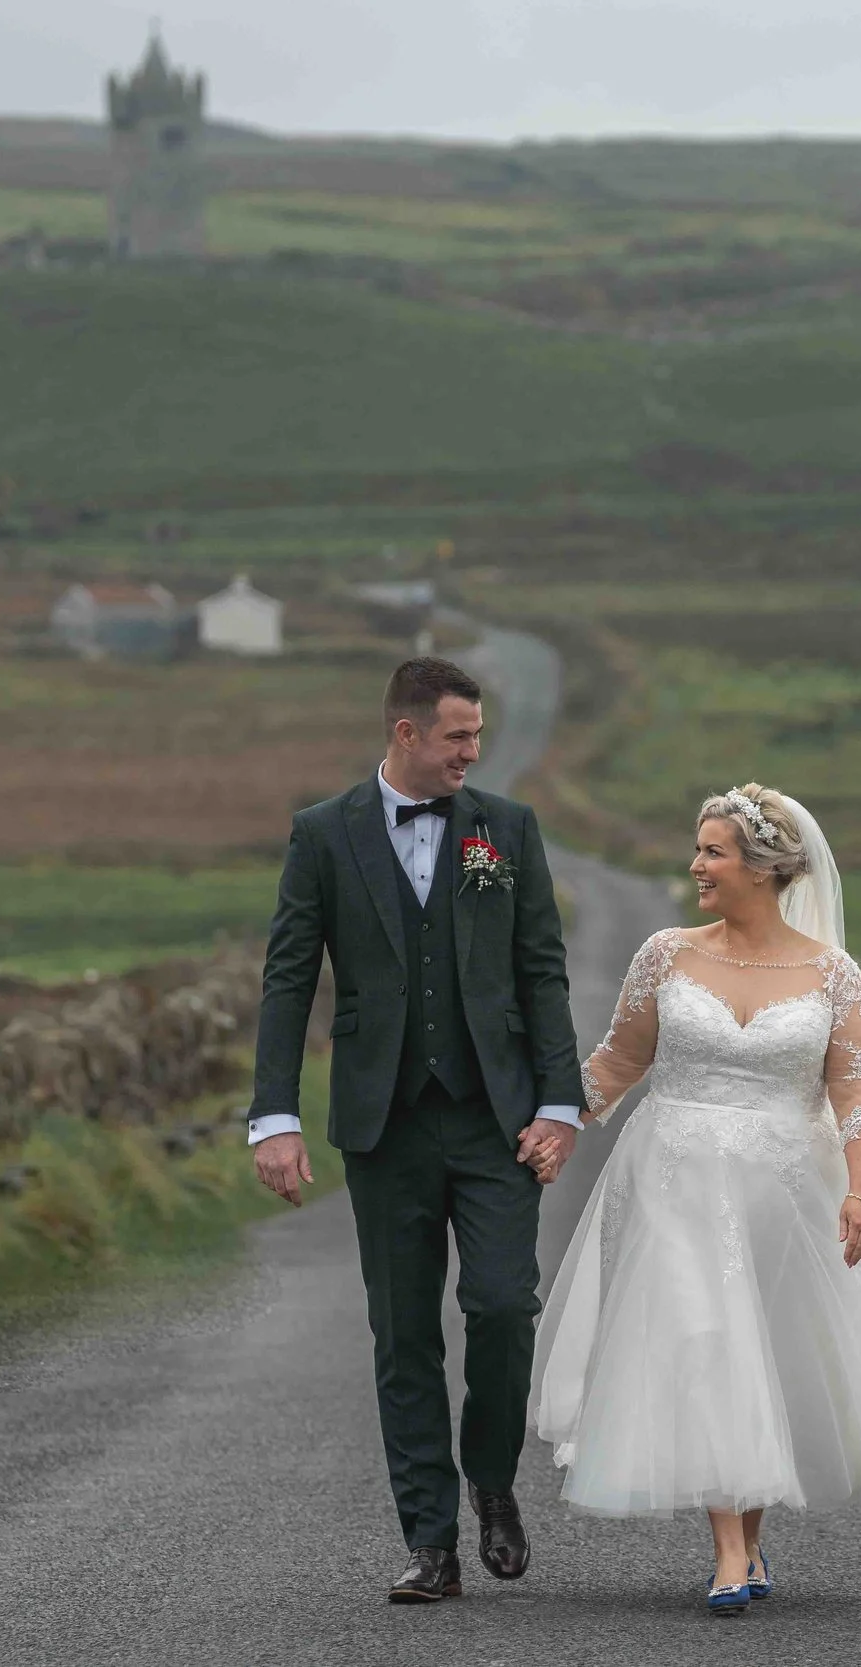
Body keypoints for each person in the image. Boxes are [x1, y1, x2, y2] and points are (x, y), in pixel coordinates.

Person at [532, 783, 861, 1616]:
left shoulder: (832, 974)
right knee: (703, 1336)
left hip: (787, 1186)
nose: (695, 864)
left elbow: (857, 1093)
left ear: (763, 869)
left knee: (760, 1347)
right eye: (698, 848)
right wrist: (556, 1123)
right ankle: (730, 1549)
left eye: (713, 851)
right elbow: (618, 1061)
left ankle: (750, 1538)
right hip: (674, 1178)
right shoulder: (664, 953)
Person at [249, 656, 584, 1604]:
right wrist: (274, 1116)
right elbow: (287, 980)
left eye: (476, 736)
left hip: (495, 1120)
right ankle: (430, 1541)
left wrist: (559, 1104)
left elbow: (543, 970)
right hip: (384, 1124)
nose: (472, 753)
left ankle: (491, 1481)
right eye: (458, 737)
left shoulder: (506, 829)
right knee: (402, 1334)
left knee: (504, 1306)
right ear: (406, 733)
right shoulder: (322, 834)